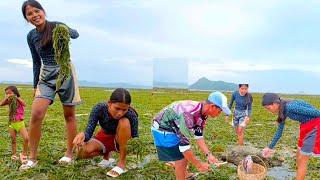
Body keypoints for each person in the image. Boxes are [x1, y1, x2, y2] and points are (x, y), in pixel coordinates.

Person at [20, 0, 81, 170]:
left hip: (65, 71)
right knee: (36, 114)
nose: (34, 15)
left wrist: (65, 29)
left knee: (69, 114)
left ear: (43, 11)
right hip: (46, 74)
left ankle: (69, 153)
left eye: (36, 11)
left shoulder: (56, 26)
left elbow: (76, 35)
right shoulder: (31, 36)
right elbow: (35, 62)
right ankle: (32, 157)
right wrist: (34, 86)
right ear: (27, 18)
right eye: (30, 13)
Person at [151, 91, 231, 180]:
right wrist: (199, 165)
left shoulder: (203, 113)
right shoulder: (188, 115)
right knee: (181, 159)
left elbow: (199, 135)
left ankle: (183, 173)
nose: (220, 114)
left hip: (174, 126)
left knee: (184, 156)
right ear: (212, 106)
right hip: (163, 128)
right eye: (220, 111)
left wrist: (209, 155)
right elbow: (184, 147)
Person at [73, 88, 138, 178]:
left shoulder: (131, 115)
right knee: (81, 152)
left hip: (120, 139)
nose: (120, 113)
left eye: (124, 110)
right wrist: (83, 135)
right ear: (109, 103)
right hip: (104, 136)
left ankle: (122, 163)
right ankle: (106, 154)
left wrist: (132, 148)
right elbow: (89, 131)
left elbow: (135, 138)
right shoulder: (99, 108)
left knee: (124, 121)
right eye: (117, 108)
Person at [261, 93, 320, 180]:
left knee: (303, 160)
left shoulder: (290, 107)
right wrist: (269, 147)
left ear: (275, 103)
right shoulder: (283, 110)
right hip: (305, 126)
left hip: (315, 126)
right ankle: (299, 176)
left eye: (268, 108)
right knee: (298, 154)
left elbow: (317, 113)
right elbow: (279, 132)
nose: (268, 110)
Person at [0, 86, 29, 163]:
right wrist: (6, 98)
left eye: (10, 93)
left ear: (15, 92)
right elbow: (1, 104)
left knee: (26, 138)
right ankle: (14, 154)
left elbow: (24, 104)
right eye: (6, 93)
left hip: (20, 123)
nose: (8, 94)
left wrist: (17, 97)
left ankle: (24, 154)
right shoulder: (9, 101)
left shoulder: (18, 100)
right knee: (13, 140)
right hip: (12, 124)